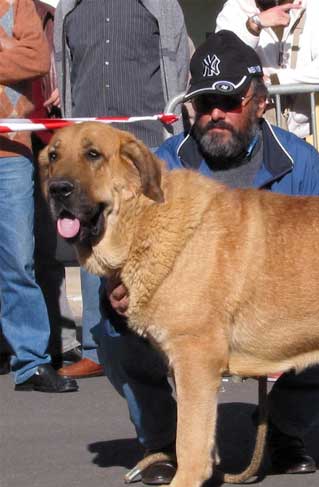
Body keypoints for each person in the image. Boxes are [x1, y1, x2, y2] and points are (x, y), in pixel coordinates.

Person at [99, 30, 319, 484]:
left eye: (228, 102)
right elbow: (123, 245)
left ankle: (283, 429)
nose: (214, 114)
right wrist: (113, 285)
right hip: (185, 316)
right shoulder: (161, 166)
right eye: (203, 102)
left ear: (260, 100)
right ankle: (165, 443)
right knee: (111, 323)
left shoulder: (302, 163)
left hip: (280, 311)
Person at [52, 0, 191, 379]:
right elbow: (64, 73)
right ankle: (99, 347)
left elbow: (179, 64)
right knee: (90, 238)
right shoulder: (71, 9)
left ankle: (175, 341)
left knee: (157, 245)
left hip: (146, 147)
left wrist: (172, 130)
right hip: (89, 160)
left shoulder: (161, 6)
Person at [0, 0, 78, 393]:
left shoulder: (16, 2)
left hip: (10, 151)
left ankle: (31, 361)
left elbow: (36, 57)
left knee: (18, 259)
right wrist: (6, 52)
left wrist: (16, 54)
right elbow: (20, 57)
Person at [31, 0, 82, 369]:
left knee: (49, 250)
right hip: (16, 139)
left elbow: (46, 63)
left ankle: (60, 342)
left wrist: (66, 88)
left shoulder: (54, 16)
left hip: (50, 141)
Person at [215, 0, 319, 138]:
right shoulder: (235, 7)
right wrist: (254, 25)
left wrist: (275, 80)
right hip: (248, 131)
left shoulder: (314, 5)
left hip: (296, 135)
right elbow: (224, 66)